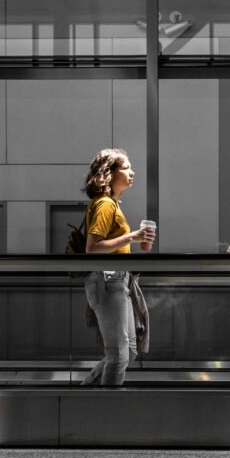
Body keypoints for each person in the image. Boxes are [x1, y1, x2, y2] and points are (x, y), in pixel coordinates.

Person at [80, 148, 156, 386]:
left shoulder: (112, 204)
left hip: (117, 280)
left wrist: (137, 243)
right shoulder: (105, 204)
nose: (131, 172)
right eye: (125, 167)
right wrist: (132, 237)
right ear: (108, 173)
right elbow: (92, 248)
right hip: (107, 280)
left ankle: (86, 390)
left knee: (129, 351)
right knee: (119, 355)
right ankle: (103, 408)